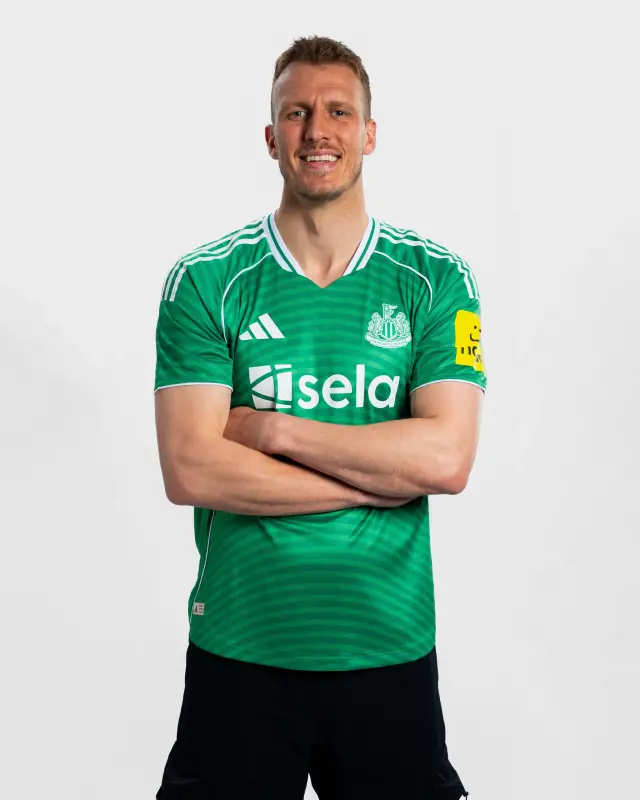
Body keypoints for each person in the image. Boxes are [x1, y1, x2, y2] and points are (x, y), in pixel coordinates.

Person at [153, 34, 486, 800]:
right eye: (296, 112)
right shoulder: (205, 281)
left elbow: (446, 459)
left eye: (339, 111)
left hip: (387, 646)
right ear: (271, 136)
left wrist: (274, 432)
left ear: (369, 134)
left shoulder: (437, 280)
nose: (317, 130)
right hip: (242, 647)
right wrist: (376, 478)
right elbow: (191, 468)